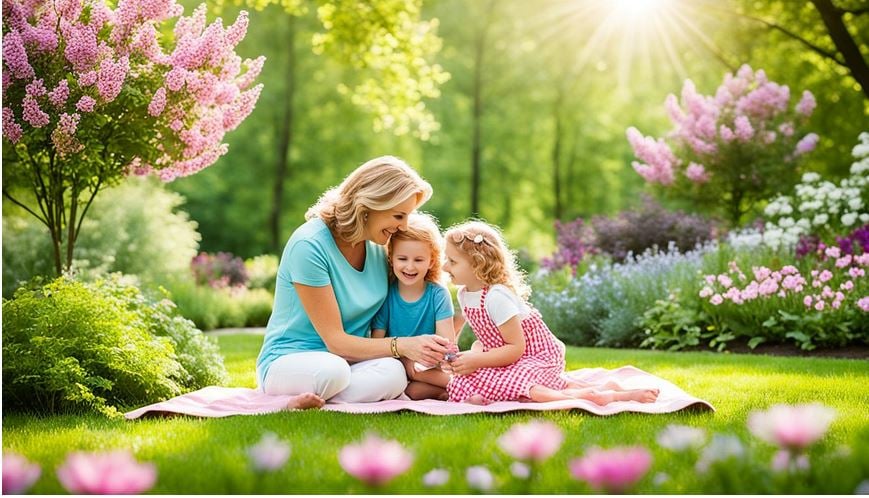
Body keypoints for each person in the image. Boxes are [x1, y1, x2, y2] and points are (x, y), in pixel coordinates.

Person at [256, 156, 450, 407]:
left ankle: (318, 401)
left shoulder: (379, 247)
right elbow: (335, 342)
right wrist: (403, 345)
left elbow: (414, 295)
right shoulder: (310, 245)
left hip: (352, 364)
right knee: (332, 371)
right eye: (399, 216)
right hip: (290, 361)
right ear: (371, 205)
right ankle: (286, 400)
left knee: (394, 373)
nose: (403, 227)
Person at [441, 220, 660, 406]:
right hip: (506, 355)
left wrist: (478, 359)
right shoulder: (464, 293)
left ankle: (601, 396)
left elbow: (516, 349)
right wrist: (459, 356)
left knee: (523, 385)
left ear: (478, 265)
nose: (444, 267)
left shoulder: (496, 296)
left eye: (452, 261)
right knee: (465, 379)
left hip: (536, 355)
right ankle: (596, 388)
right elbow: (487, 336)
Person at [370, 212, 458, 400]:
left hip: (430, 368)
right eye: (403, 259)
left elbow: (447, 345)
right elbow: (376, 344)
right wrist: (404, 358)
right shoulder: (386, 295)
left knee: (416, 386)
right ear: (391, 258)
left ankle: (462, 387)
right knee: (413, 391)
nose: (410, 267)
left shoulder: (438, 295)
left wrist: (423, 362)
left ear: (431, 261)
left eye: (418, 260)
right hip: (398, 367)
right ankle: (457, 390)